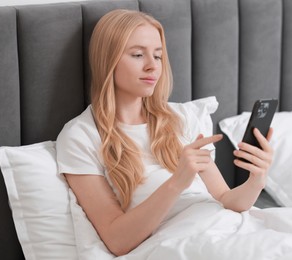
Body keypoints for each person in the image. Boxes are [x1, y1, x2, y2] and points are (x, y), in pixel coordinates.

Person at [56, 9, 273, 256]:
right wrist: (177, 181)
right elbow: (117, 241)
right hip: (181, 242)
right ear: (107, 60)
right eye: (138, 55)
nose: (152, 66)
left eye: (158, 56)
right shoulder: (81, 136)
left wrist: (257, 180)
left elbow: (226, 199)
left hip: (226, 226)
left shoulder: (180, 118)